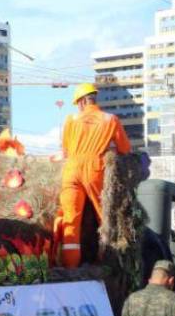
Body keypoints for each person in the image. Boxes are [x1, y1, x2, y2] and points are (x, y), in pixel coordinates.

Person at [55, 83, 131, 267]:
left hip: (71, 169)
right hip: (95, 169)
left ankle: (70, 267)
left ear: (81, 102)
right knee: (103, 217)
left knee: (71, 221)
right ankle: (106, 262)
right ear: (93, 99)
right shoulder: (110, 119)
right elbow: (125, 149)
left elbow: (64, 151)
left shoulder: (70, 119)